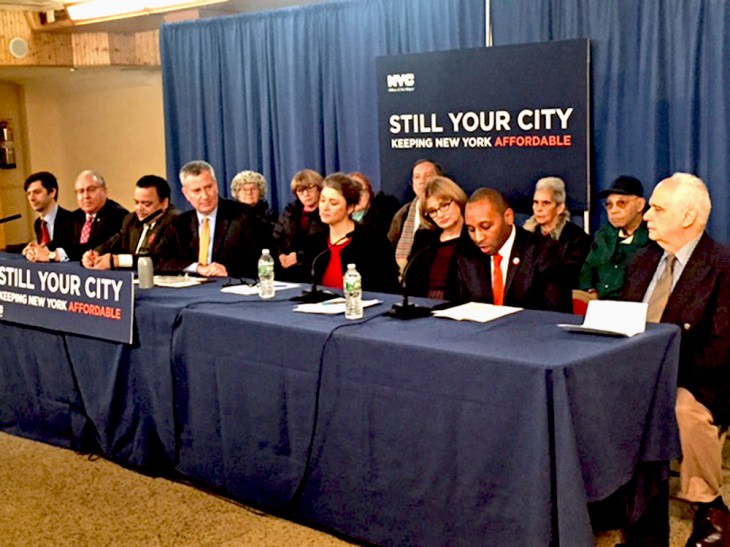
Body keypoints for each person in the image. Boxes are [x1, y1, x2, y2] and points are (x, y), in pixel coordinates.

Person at [621, 173, 730, 546]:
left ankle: (710, 507)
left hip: (697, 377)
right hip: (633, 370)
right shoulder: (640, 262)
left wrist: (664, 375)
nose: (647, 215)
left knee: (685, 409)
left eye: (657, 208)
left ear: (687, 217)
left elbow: (719, 348)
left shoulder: (723, 265)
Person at [455, 187, 571, 311]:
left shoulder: (543, 252)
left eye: (486, 227)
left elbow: (556, 314)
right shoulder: (467, 254)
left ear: (508, 217)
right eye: (471, 229)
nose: (478, 238)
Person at [157, 160, 268, 278]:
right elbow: (158, 260)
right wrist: (196, 268)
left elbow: (264, 262)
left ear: (216, 185)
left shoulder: (245, 217)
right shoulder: (180, 223)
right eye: (197, 191)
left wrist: (229, 271)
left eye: (208, 187)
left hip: (230, 287)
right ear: (186, 194)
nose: (205, 196)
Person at [304, 172, 398, 293]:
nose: (325, 208)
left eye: (333, 203)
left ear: (349, 208)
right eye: (322, 201)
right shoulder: (315, 242)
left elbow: (388, 289)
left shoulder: (373, 241)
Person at [82, 175, 178, 270]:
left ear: (164, 203)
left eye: (146, 204)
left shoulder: (176, 222)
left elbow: (158, 259)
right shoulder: (131, 219)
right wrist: (95, 253)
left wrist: (117, 261)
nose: (139, 208)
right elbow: (115, 241)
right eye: (136, 202)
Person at [578, 175, 650, 299]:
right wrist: (590, 291)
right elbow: (587, 269)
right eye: (609, 205)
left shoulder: (653, 236)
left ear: (640, 205)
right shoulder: (603, 236)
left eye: (621, 203)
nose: (613, 211)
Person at [405, 176, 471, 300]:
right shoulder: (424, 238)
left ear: (457, 199)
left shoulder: (473, 235)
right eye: (433, 211)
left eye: (444, 205)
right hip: (423, 308)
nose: (440, 215)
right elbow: (411, 281)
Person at [523, 176, 590, 287]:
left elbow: (568, 277)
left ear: (560, 208)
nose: (538, 208)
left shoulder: (577, 239)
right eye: (536, 202)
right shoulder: (526, 236)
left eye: (546, 203)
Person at [387, 159, 443, 273]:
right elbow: (389, 244)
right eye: (417, 177)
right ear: (412, 184)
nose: (422, 181)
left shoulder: (446, 212)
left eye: (428, 176)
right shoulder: (403, 213)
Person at [273, 168, 327, 281]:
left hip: (316, 270)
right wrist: (280, 255)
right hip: (287, 270)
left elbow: (326, 244)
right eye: (300, 190)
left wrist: (299, 257)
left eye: (310, 188)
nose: (306, 194)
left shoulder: (327, 212)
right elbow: (276, 238)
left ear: (319, 189)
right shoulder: (289, 211)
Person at [21, 171, 75, 263]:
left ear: (52, 192)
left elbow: (71, 250)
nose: (31, 198)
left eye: (37, 192)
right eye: (28, 194)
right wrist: (31, 251)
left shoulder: (72, 220)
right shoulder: (38, 223)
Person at [348, 171, 400, 240]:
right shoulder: (339, 218)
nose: (357, 196)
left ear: (369, 192)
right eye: (351, 192)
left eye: (360, 191)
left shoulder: (384, 211)